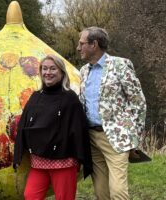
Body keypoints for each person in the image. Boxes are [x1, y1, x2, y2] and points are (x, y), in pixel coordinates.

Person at [77, 26, 147, 200]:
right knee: (101, 192)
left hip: (116, 139)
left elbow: (138, 103)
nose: (78, 48)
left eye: (82, 43)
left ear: (94, 44)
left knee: (118, 192)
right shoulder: (84, 70)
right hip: (91, 138)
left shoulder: (121, 65)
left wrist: (133, 138)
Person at [14, 54, 92, 200]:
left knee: (64, 198)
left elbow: (79, 130)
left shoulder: (70, 98)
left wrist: (80, 157)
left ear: (62, 72)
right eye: (44, 69)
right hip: (39, 161)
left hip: (64, 162)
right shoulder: (36, 96)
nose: (47, 73)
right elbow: (24, 125)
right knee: (30, 196)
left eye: (52, 69)